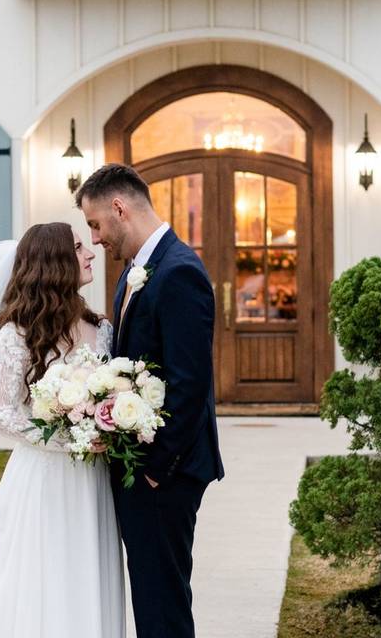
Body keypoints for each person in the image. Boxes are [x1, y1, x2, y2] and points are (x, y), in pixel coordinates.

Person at [77, 164, 225, 638]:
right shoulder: (136, 271)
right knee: (151, 593)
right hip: (143, 463)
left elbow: (190, 383)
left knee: (162, 602)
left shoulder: (179, 272)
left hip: (167, 471)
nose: (96, 239)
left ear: (119, 208)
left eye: (95, 224)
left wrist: (156, 468)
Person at [0, 222, 125, 638]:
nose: (91, 253)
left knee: (89, 573)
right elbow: (1, 413)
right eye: (79, 248)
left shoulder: (102, 331)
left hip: (93, 481)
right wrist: (71, 439)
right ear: (54, 262)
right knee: (44, 581)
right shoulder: (16, 336)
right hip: (44, 480)